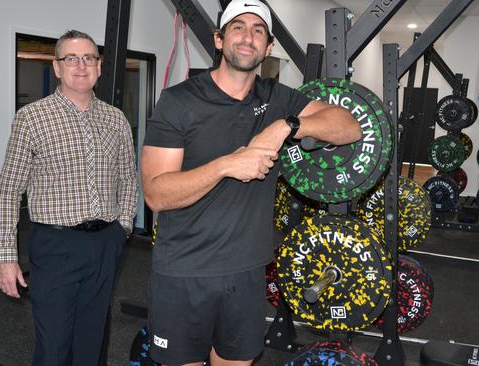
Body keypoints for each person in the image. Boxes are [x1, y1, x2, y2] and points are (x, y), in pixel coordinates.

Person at [141, 0, 361, 364]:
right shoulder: (179, 101)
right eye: (238, 27)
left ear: (268, 47)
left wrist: (285, 126)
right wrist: (227, 164)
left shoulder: (278, 98)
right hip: (184, 270)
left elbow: (348, 126)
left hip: (246, 270)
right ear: (218, 39)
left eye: (258, 30)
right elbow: (157, 194)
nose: (248, 37)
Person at [0, 29, 138, 365]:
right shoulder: (32, 118)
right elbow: (8, 191)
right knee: (54, 346)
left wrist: (124, 227)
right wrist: (5, 256)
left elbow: (128, 177)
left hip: (105, 244)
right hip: (56, 247)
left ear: (99, 66)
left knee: (92, 341)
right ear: (57, 67)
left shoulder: (116, 119)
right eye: (71, 58)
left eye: (88, 58)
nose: (81, 65)